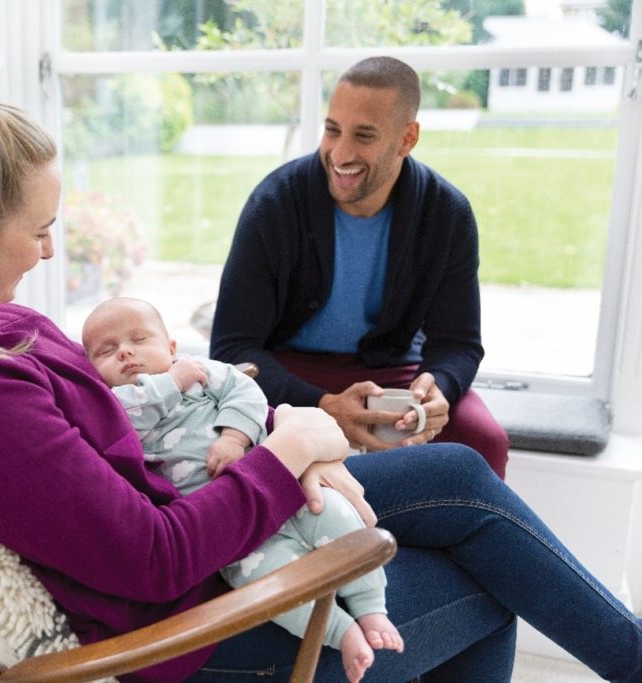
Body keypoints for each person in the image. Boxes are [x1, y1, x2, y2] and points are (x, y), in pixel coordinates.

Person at [0, 64, 642, 683]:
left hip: (196, 504)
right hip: (193, 627)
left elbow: (127, 432)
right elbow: (153, 557)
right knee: (488, 589)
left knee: (463, 472)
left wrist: (275, 436)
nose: (51, 251)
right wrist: (286, 453)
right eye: (40, 230)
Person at [210, 56, 509, 478]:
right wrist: (322, 404)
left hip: (394, 377)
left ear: (407, 139)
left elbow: (459, 343)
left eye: (363, 136)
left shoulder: (447, 213)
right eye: (332, 130)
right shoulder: (275, 203)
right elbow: (231, 349)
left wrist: (440, 385)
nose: (340, 153)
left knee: (484, 443)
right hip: (288, 371)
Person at [82, 296, 403, 682]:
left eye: (138, 339)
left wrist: (234, 438)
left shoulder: (204, 373)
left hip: (288, 487)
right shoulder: (116, 409)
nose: (126, 352)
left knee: (339, 518)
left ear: (171, 348)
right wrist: (169, 383)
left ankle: (370, 607)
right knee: (268, 587)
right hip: (237, 534)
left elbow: (247, 393)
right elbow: (129, 413)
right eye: (108, 350)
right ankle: (341, 631)